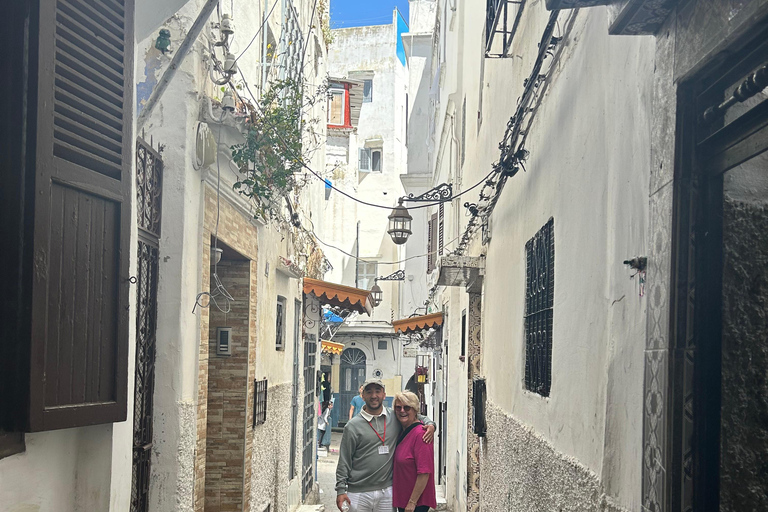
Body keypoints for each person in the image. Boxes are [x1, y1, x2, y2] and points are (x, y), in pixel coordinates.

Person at [336, 379, 435, 512]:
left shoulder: (394, 417)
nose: (374, 396)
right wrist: (341, 490)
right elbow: (344, 460)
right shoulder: (352, 426)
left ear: (384, 394)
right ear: (363, 395)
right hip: (359, 492)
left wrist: (431, 425)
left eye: (378, 391)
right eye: (369, 392)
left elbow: (414, 415)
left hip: (387, 492)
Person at [392, 391, 436, 512]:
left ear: (415, 410)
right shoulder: (402, 430)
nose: (402, 411)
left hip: (415, 504)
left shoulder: (421, 434)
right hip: (403, 499)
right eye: (398, 407)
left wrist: (412, 503)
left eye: (407, 407)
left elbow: (424, 472)